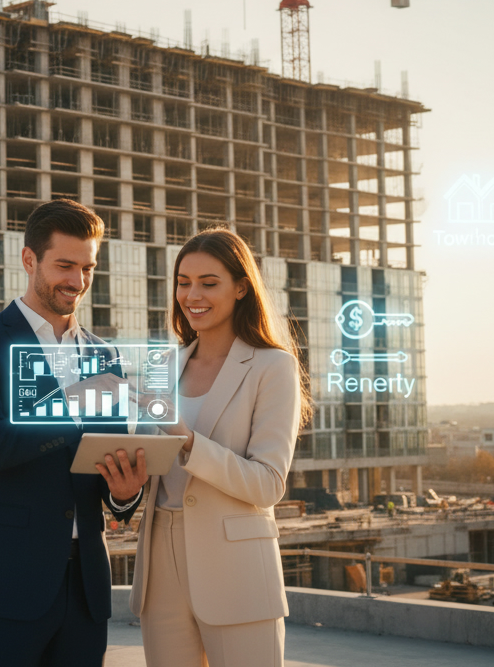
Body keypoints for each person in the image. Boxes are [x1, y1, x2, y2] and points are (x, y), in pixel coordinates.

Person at [0, 199, 148, 667]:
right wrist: (73, 398)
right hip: (3, 582)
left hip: (85, 589)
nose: (77, 281)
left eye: (87, 267)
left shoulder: (106, 356)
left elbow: (103, 469)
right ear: (29, 260)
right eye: (65, 265)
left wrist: (123, 492)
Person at [129, 228, 308, 667]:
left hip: (238, 570)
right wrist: (124, 481)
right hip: (160, 566)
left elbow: (267, 484)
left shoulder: (273, 366)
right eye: (184, 282)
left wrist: (186, 438)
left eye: (209, 283)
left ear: (241, 287)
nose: (193, 295)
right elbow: (152, 471)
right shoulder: (162, 366)